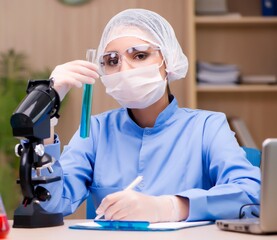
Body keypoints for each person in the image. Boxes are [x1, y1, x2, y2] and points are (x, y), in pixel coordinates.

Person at [42, 8, 260, 223]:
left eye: (140, 55)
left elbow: (251, 194)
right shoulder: (94, 131)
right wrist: (45, 109)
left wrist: (171, 207)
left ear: (168, 61)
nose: (125, 70)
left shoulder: (207, 127)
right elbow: (49, 205)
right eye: (112, 60)